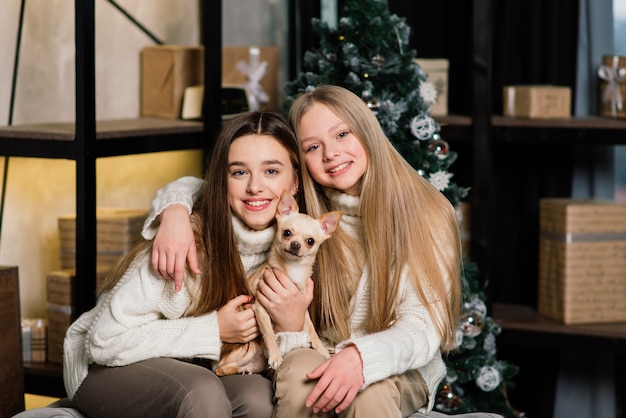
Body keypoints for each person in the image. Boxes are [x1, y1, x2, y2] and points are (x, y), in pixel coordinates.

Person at [150, 84, 463, 418]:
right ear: (300, 165)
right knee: (301, 382)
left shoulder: (427, 212)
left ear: (369, 132)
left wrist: (361, 357)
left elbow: (422, 325)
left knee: (367, 398)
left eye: (342, 134)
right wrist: (174, 212)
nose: (331, 154)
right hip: (307, 344)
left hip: (399, 362)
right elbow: (222, 183)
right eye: (313, 146)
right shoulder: (303, 209)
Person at [62, 111, 314, 418]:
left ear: (296, 182)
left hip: (193, 368)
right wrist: (214, 329)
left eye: (271, 171)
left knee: (258, 398)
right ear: (221, 180)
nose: (255, 187)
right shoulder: (187, 242)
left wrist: (293, 324)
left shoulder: (299, 243)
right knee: (200, 391)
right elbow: (102, 341)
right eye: (239, 173)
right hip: (102, 367)